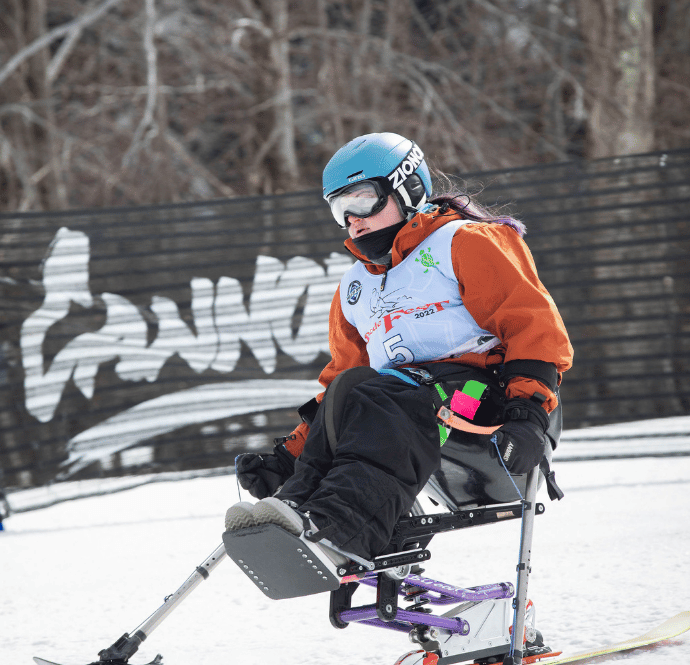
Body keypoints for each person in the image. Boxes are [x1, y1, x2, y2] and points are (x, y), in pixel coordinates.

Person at [226, 131, 573, 566]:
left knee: (384, 394)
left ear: (407, 187)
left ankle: (340, 529)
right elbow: (339, 386)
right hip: (403, 409)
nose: (353, 219)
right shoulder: (355, 287)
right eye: (340, 208)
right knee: (353, 388)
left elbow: (531, 325)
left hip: (487, 405)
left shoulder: (465, 242)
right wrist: (287, 456)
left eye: (363, 200)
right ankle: (296, 510)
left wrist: (529, 412)